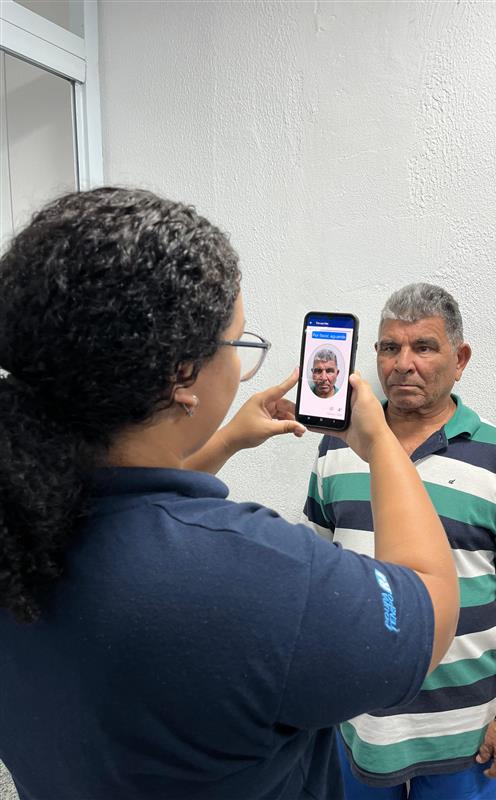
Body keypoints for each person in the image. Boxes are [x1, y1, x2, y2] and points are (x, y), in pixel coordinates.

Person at [0, 190, 459, 800]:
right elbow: (429, 598)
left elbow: (135, 502)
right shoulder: (259, 574)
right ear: (181, 376)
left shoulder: (20, 525)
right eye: (239, 344)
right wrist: (377, 443)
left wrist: (220, 442)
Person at [303, 283, 496, 800]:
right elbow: (318, 575)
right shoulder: (337, 449)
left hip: (464, 739)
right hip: (358, 726)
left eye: (423, 347)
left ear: (459, 359)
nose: (403, 364)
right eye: (388, 348)